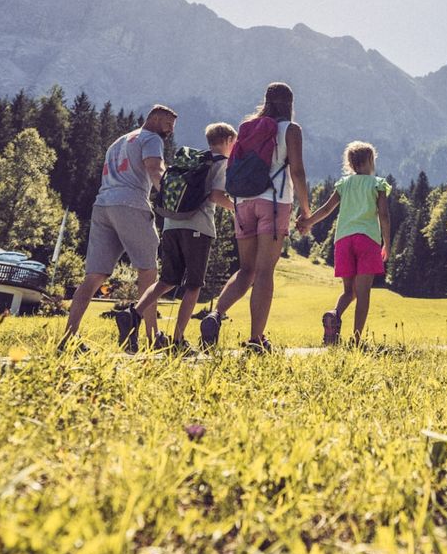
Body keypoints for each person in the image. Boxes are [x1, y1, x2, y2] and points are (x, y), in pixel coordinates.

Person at [58, 105, 177, 350]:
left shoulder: (119, 141)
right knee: (148, 271)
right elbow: (155, 169)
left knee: (94, 276)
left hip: (103, 205)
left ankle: (69, 338)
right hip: (131, 205)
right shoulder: (152, 139)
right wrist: (172, 197)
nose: (170, 130)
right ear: (155, 118)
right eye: (168, 124)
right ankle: (153, 337)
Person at [203, 82, 310, 353]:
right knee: (264, 272)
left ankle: (215, 315)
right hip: (273, 203)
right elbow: (297, 171)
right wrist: (306, 209)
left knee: (246, 270)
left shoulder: (248, 126)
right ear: (290, 103)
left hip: (242, 203)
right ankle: (256, 339)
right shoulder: (291, 129)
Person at [120, 122, 236, 353]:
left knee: (167, 280)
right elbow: (215, 196)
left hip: (171, 225)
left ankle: (133, 313)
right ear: (228, 141)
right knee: (193, 285)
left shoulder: (194, 162)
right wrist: (237, 209)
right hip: (197, 227)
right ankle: (178, 340)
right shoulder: (221, 163)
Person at [309, 141, 391, 346]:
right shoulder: (377, 184)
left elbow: (326, 209)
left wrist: (307, 222)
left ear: (351, 164)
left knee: (349, 291)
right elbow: (384, 215)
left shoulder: (344, 184)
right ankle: (356, 340)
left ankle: (334, 314)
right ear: (370, 161)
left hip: (343, 241)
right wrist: (387, 243)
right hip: (367, 240)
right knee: (362, 294)